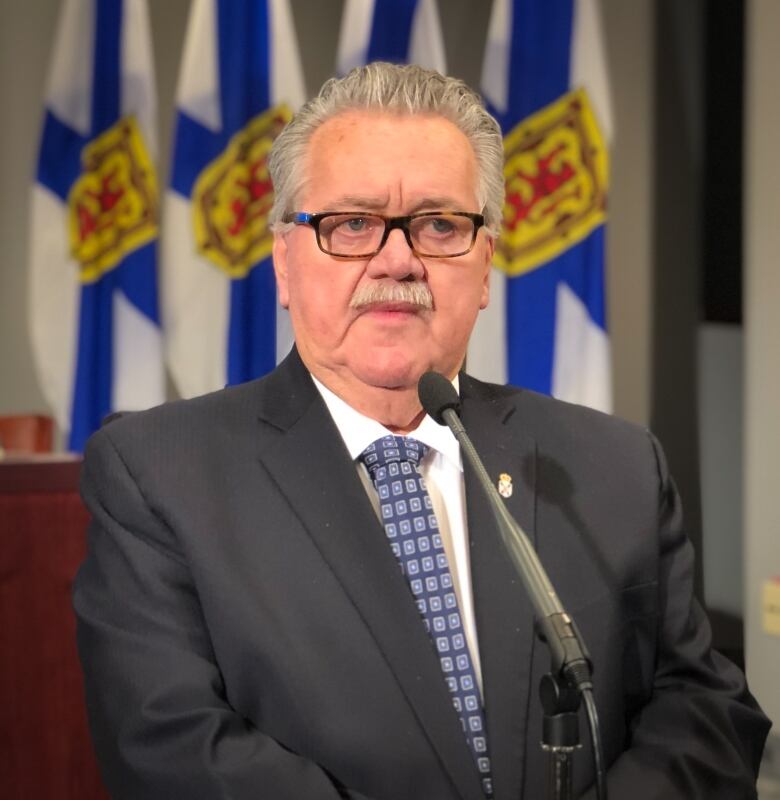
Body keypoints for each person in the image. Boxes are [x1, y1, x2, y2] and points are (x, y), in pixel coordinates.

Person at [73, 62, 770, 800]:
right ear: (284, 264)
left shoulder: (613, 467)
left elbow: (708, 713)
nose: (399, 259)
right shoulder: (160, 476)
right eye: (352, 225)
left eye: (440, 225)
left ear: (486, 265)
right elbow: (173, 754)